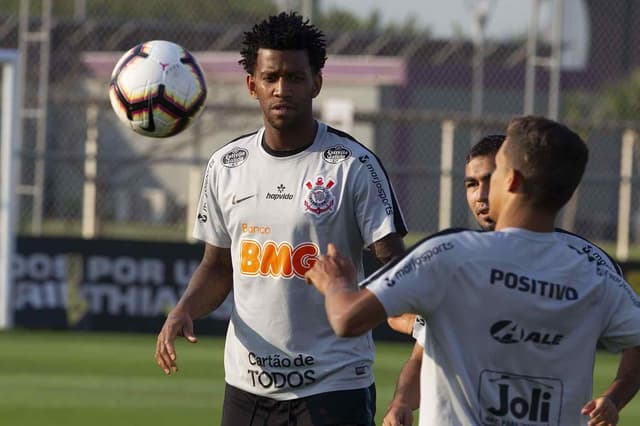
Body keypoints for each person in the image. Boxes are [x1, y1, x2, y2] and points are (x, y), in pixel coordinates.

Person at [154, 11, 407, 426]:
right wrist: (183, 310)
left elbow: (396, 266)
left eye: (294, 77)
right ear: (252, 84)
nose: (281, 89)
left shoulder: (352, 165)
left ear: (316, 82)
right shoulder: (226, 165)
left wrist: (386, 310)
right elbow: (217, 267)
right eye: (271, 78)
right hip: (247, 387)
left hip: (334, 383)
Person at [305, 116, 640, 426]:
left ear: (510, 180)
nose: (480, 191)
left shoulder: (450, 254)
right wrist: (614, 397)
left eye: (492, 176)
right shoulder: (595, 273)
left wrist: (337, 284)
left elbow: (347, 319)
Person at [384, 134, 628, 426]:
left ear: (516, 180)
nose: (481, 195)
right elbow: (421, 355)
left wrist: (614, 398)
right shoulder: (456, 259)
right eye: (471, 184)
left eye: (490, 180)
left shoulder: (587, 263)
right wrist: (400, 404)